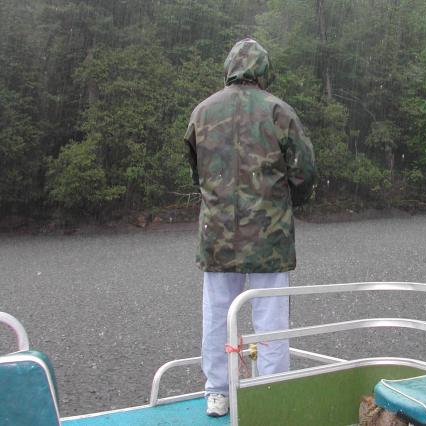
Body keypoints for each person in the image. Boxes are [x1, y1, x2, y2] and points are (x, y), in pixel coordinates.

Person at [183, 38, 316, 417]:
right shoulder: (278, 112)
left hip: (217, 235)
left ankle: (217, 392)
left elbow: (196, 171)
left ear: (229, 68)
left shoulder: (202, 112)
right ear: (263, 70)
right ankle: (269, 394)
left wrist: (218, 200)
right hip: (269, 237)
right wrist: (287, 203)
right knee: (271, 319)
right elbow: (304, 171)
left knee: (217, 315)